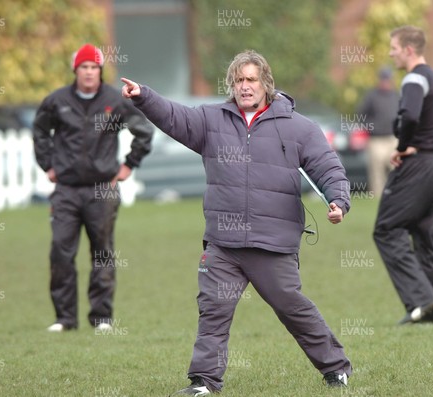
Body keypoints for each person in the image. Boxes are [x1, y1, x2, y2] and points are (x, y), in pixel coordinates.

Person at [122, 50, 353, 396]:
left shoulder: (299, 127)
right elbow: (174, 117)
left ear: (266, 84)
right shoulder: (210, 121)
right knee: (213, 311)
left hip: (272, 243)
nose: (244, 86)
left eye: (251, 80)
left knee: (293, 309)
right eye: (239, 80)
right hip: (223, 244)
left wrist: (338, 200)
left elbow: (327, 167)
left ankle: (336, 368)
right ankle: (203, 382)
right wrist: (145, 96)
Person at [33, 44, 154, 332]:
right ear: (75, 70)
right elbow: (39, 131)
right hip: (66, 190)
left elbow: (144, 131)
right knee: (61, 251)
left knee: (102, 253)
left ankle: (101, 318)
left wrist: (128, 166)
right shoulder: (56, 101)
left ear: (100, 71)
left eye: (94, 67)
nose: (89, 72)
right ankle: (65, 318)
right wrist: (47, 165)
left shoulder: (115, 100)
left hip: (103, 188)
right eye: (84, 67)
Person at [373, 26, 433, 325]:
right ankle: (429, 314)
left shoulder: (414, 78)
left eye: (393, 47)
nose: (390, 52)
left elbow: (412, 116)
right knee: (427, 234)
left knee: (386, 229)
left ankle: (421, 300)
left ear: (408, 49)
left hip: (418, 166)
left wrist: (403, 146)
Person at [356, 67, 400, 197]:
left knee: (397, 168)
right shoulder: (372, 96)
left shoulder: (395, 95)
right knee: (377, 172)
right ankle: (378, 197)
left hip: (393, 138)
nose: (386, 82)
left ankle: (397, 195)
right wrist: (371, 127)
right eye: (384, 79)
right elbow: (360, 115)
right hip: (376, 140)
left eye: (388, 79)